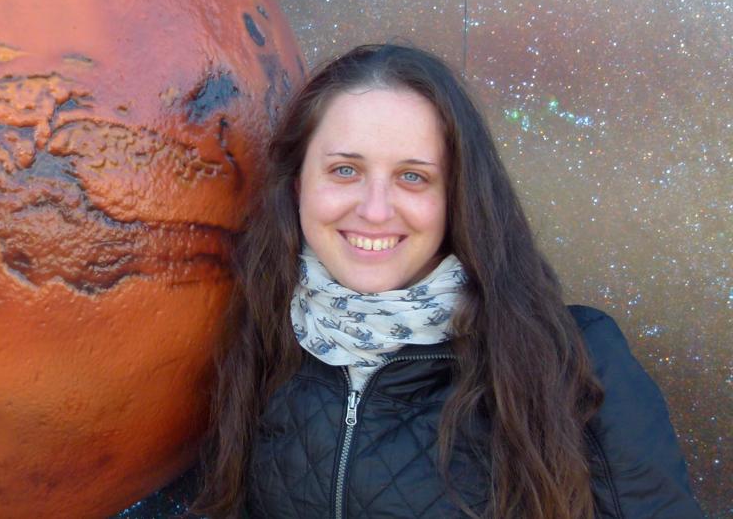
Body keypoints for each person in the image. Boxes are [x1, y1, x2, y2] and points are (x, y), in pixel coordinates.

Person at [190, 45, 703, 518]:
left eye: (413, 176)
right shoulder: (264, 338)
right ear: (299, 183)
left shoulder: (574, 360)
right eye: (345, 170)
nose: (373, 210)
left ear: (456, 194)